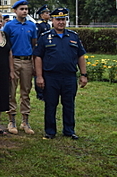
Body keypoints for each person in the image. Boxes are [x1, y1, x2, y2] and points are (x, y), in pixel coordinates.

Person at [34, 8, 87, 140]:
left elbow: (80, 56)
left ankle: (69, 130)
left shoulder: (74, 36)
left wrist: (83, 75)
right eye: (58, 19)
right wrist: (39, 76)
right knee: (50, 104)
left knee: (69, 104)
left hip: (69, 76)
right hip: (51, 76)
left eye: (63, 19)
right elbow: (38, 57)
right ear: (52, 20)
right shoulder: (45, 37)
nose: (61, 22)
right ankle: (50, 131)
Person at [3, 0, 37, 135]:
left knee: (26, 92)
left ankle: (25, 121)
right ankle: (11, 120)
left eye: (26, 9)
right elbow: (6, 46)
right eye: (22, 9)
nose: (25, 11)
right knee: (11, 91)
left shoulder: (32, 26)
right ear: (15, 11)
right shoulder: (9, 26)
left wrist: (34, 64)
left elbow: (34, 44)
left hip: (27, 61)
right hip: (14, 60)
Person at [34, 4, 51, 101]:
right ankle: (39, 93)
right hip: (41, 50)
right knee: (38, 70)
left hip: (47, 51)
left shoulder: (47, 25)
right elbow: (36, 38)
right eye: (46, 13)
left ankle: (45, 91)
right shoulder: (39, 25)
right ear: (41, 15)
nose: (48, 14)